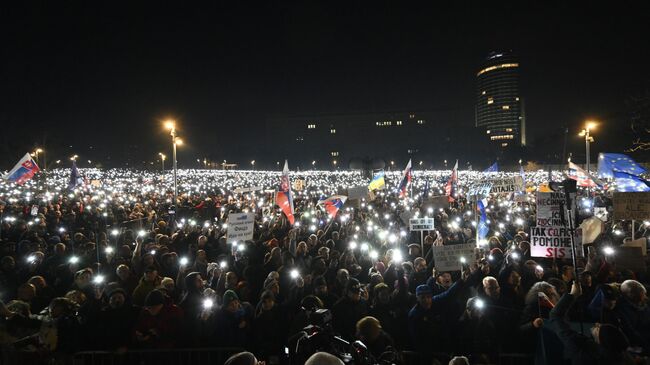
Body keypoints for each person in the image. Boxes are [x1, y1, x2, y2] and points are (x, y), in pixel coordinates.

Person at [549, 281, 635, 364]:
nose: (597, 324)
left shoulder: (582, 352)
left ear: (601, 341)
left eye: (599, 328)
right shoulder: (621, 357)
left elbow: (555, 316)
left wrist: (572, 295)